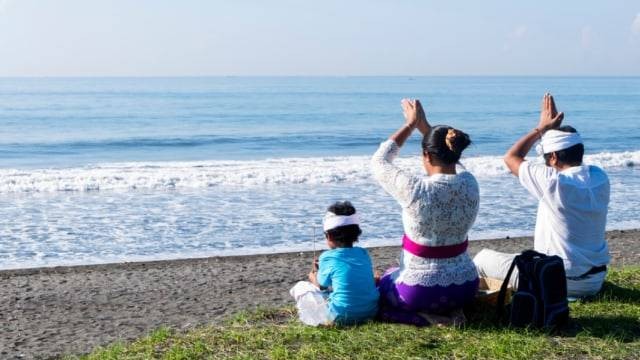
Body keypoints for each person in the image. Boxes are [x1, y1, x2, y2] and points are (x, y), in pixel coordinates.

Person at [473, 93, 610, 298]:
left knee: (483, 258)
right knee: (521, 259)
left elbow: (511, 158)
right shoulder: (600, 177)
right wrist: (552, 134)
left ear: (553, 157)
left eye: (547, 158)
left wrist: (542, 128)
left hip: (556, 281)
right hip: (594, 281)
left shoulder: (554, 182)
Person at [371, 99, 479, 326]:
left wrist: (411, 124)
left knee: (379, 295)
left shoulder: (416, 189)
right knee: (395, 271)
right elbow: (449, 157)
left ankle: (430, 319)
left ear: (427, 156)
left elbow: (379, 161)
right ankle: (455, 312)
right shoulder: (470, 183)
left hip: (419, 293)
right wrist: (427, 129)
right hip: (466, 286)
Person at [289, 201, 379, 326]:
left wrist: (313, 276)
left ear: (329, 236)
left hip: (340, 317)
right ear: (356, 234)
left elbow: (322, 285)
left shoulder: (327, 257)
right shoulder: (363, 253)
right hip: (370, 312)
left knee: (301, 287)